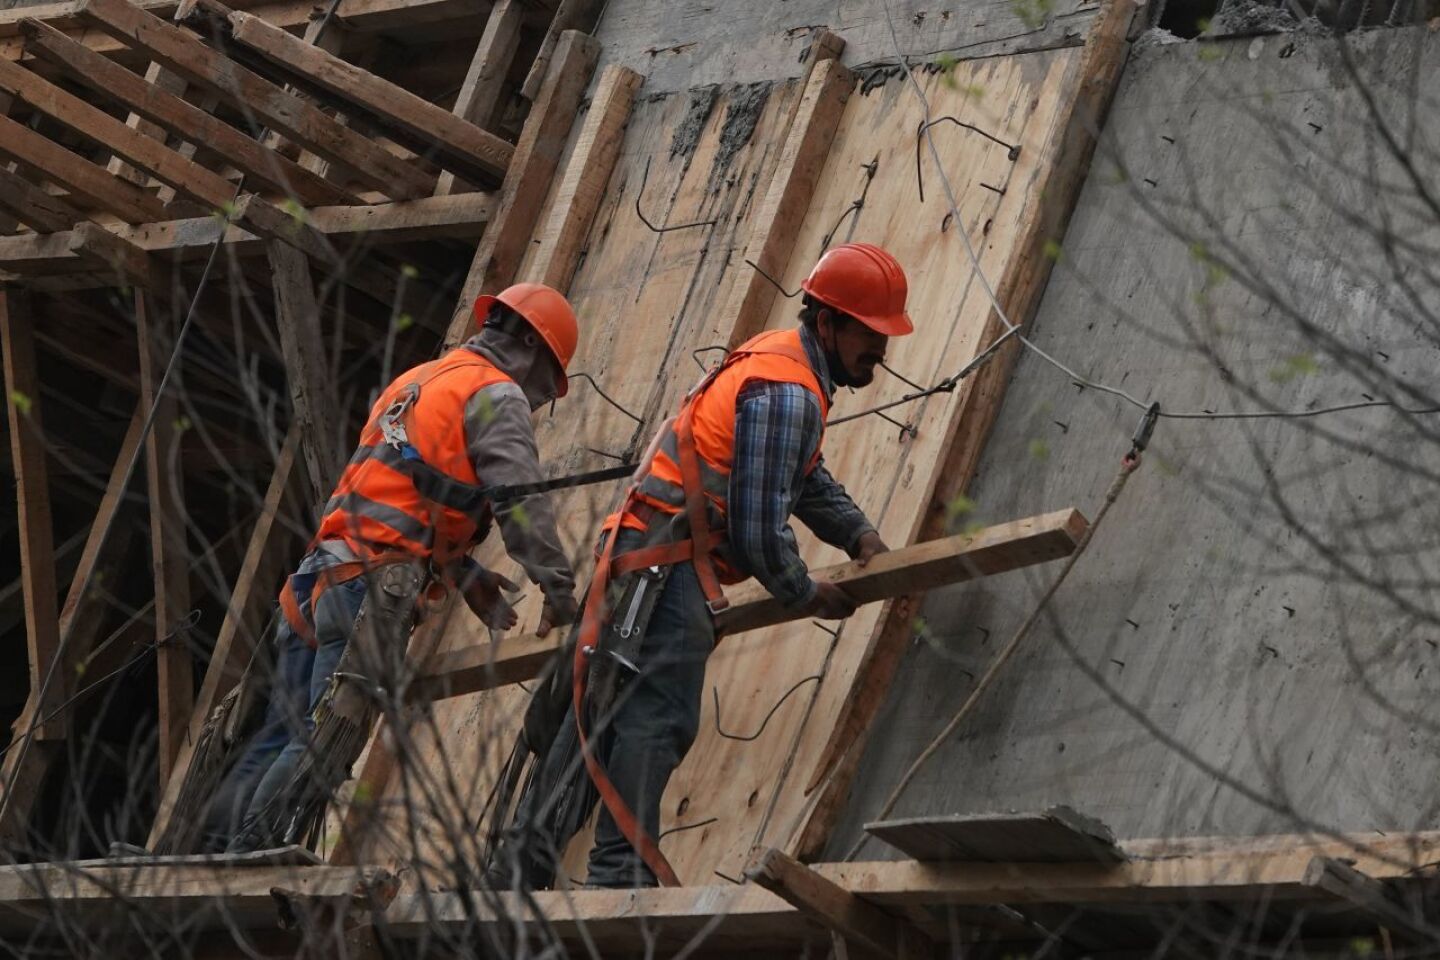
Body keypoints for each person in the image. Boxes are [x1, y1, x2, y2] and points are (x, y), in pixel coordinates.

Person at [491, 242, 914, 889]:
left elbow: (802, 478)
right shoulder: (789, 392)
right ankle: (618, 874)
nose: (878, 353)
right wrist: (805, 592)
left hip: (645, 555)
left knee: (599, 716)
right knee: (654, 718)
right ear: (828, 321)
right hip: (666, 567)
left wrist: (858, 534)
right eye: (870, 335)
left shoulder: (776, 364)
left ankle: (522, 874)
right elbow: (756, 527)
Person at [205, 283, 582, 853]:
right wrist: (556, 586)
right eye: (546, 383)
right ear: (530, 343)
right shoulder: (494, 394)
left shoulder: (419, 380)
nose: (536, 400)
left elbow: (410, 489)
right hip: (367, 590)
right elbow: (519, 502)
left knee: (278, 733)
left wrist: (460, 572)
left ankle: (200, 857)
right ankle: (245, 862)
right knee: (327, 734)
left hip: (318, 578)